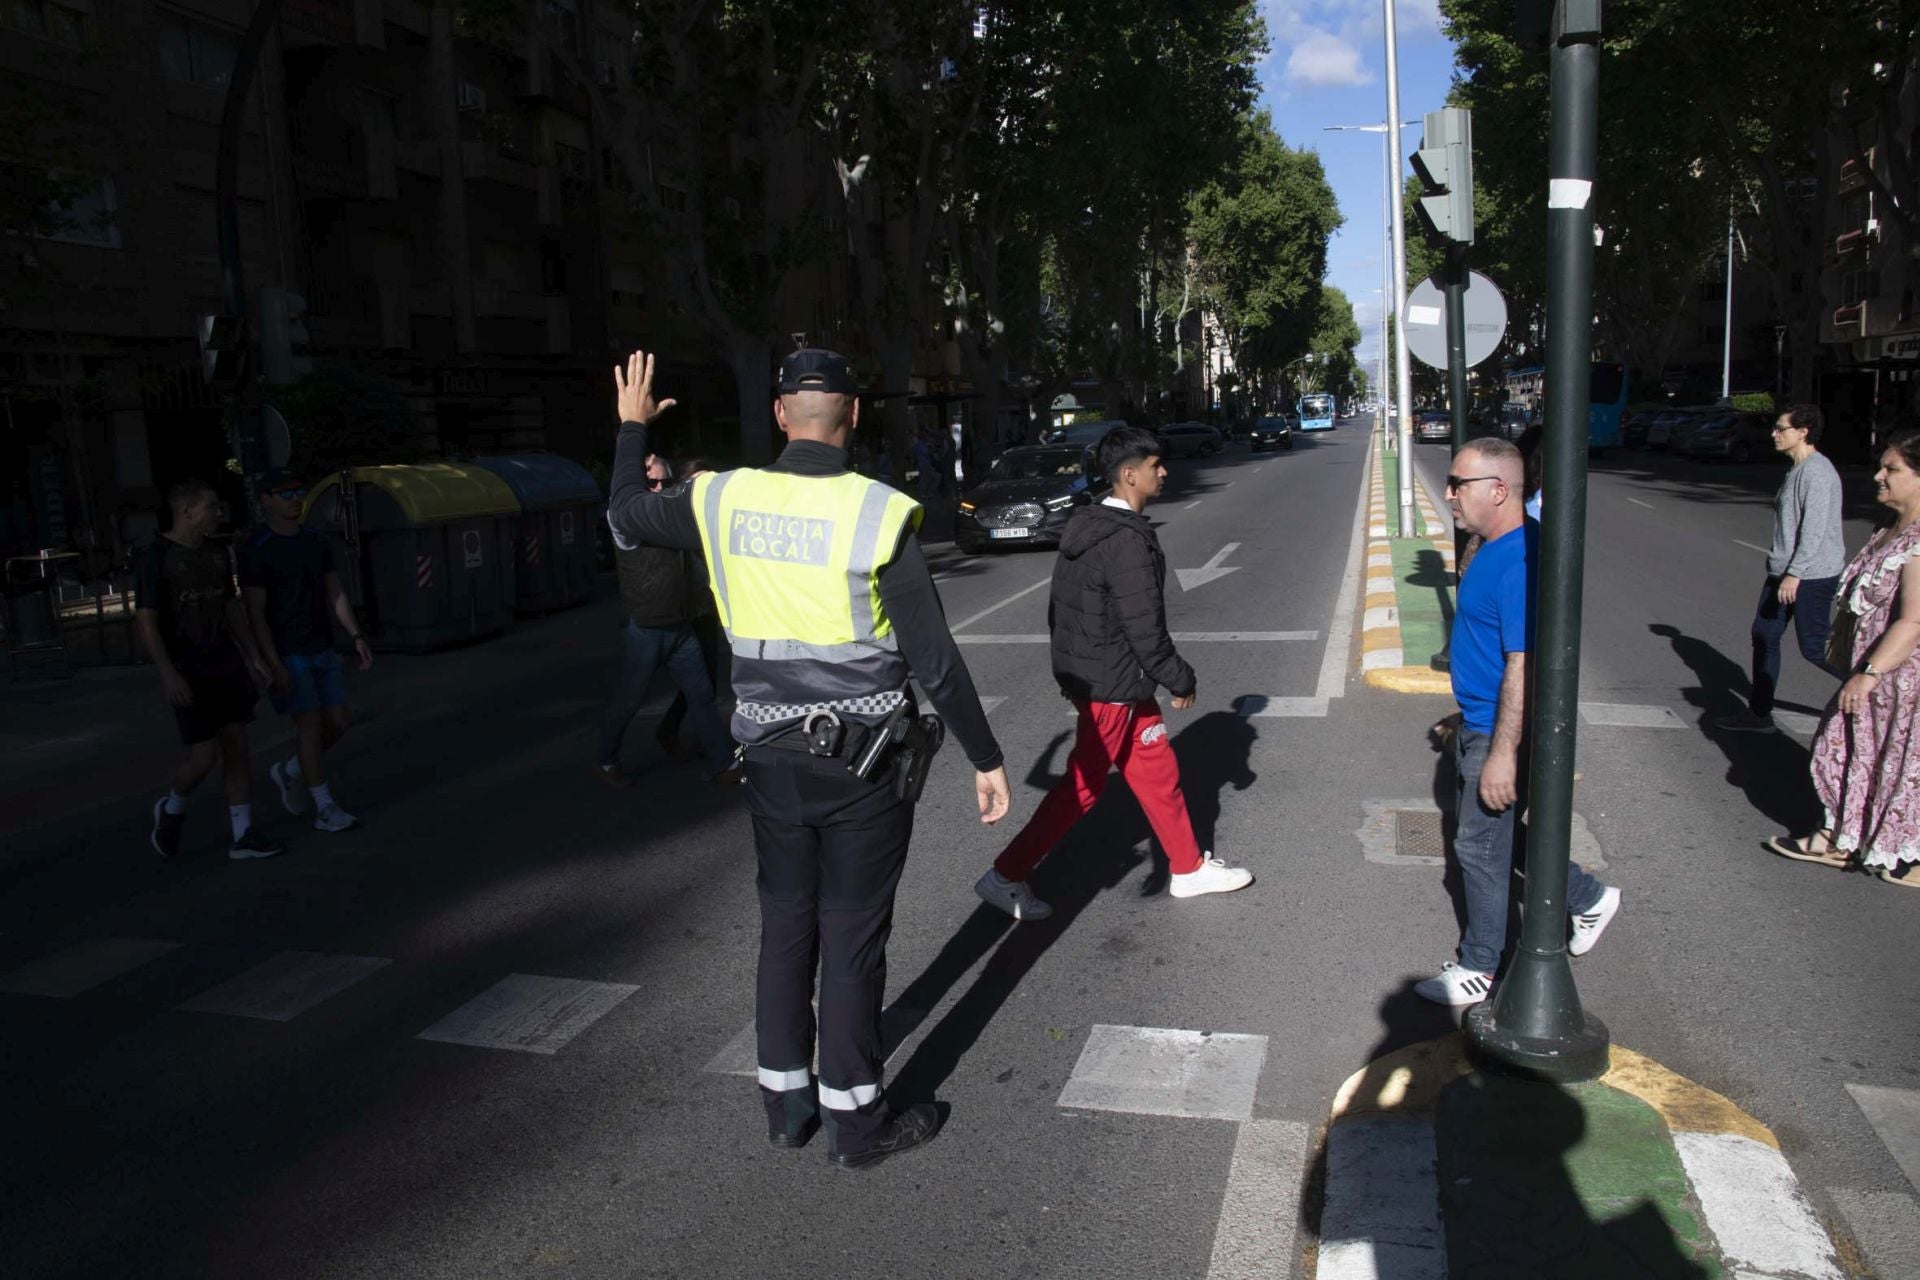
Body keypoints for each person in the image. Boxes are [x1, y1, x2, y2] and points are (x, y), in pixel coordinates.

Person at [605, 348, 1012, 1169]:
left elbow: (622, 513)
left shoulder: (720, 496)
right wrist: (986, 755)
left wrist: (631, 427)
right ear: (853, 416)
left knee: (786, 927)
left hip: (768, 760)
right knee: (852, 938)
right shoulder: (879, 513)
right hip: (864, 768)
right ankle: (857, 1126)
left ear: (781, 414)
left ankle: (787, 1108)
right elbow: (934, 660)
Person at [973, 425, 1253, 924]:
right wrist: (1179, 678)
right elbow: (1144, 626)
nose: (1164, 472)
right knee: (1082, 788)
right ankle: (1005, 875)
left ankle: (1188, 867)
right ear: (1129, 474)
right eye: (1154, 466)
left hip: (1111, 679)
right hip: (1112, 685)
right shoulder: (1124, 541)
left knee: (1158, 771)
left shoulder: (1092, 527)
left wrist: (1073, 673)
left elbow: (1060, 613)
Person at [1416, 438, 1620, 1007]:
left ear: (1499, 490)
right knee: (1493, 836)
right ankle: (1587, 897)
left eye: (1459, 484)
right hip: (1480, 719)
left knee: (1478, 848)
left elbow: (1523, 665)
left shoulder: (1521, 560)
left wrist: (1503, 752)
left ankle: (1482, 965)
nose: (1450, 494)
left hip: (1498, 729)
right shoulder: (1493, 546)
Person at [1768, 430, 1920, 887]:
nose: (1879, 476)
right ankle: (1843, 837)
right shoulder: (1888, 529)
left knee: (1901, 765)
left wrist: (1868, 674)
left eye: (1892, 469)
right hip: (1877, 675)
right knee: (1852, 751)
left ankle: (1902, 853)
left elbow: (1913, 621)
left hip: (1901, 679)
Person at [137, 479, 285, 861]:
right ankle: (172, 807)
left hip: (224, 660)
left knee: (237, 744)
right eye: (212, 507)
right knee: (204, 757)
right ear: (187, 512)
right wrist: (167, 673)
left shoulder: (217, 552)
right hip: (188, 665)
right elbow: (147, 621)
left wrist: (252, 654)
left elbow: (230, 606)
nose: (219, 513)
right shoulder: (156, 556)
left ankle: (243, 833)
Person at [241, 470, 374, 833]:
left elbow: (335, 591)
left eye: (299, 490)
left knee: (340, 721)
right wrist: (271, 661)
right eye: (285, 494)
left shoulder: (315, 540)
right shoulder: (257, 547)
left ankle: (291, 771)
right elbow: (255, 611)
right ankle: (324, 807)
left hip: (321, 645)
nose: (295, 499)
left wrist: (356, 635)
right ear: (266, 499)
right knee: (309, 727)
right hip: (289, 651)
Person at [595, 453, 738, 788]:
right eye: (651, 482)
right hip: (646, 629)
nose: (659, 489)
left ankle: (724, 765)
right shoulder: (624, 519)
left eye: (664, 482)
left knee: (701, 696)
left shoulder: (670, 515)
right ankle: (605, 760)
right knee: (629, 699)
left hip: (680, 627)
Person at [1717, 404, 1846, 733]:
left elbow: (1814, 530)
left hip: (1810, 574)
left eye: (1780, 428)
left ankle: (1874, 685)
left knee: (1815, 648)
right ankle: (1759, 715)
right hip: (1786, 571)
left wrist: (1795, 573)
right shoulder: (1797, 469)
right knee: (1764, 635)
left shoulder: (1817, 473)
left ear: (1803, 432)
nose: (1773, 434)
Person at [655, 456, 729, 763]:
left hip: (706, 607)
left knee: (706, 677)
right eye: (694, 482)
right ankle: (692, 736)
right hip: (684, 610)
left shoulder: (709, 513)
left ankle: (688, 733)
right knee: (700, 679)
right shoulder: (673, 516)